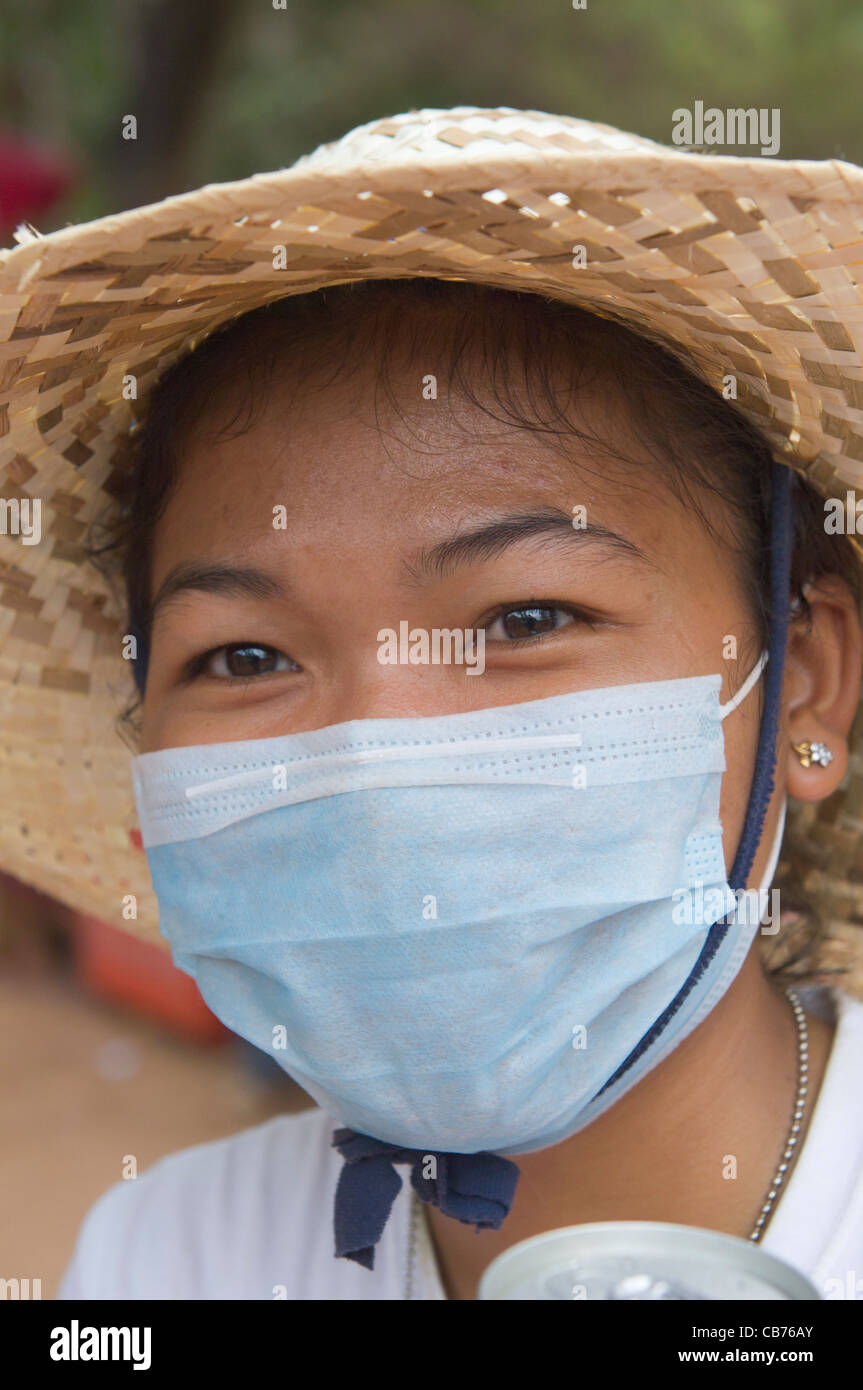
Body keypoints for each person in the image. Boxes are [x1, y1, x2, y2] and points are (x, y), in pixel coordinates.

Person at [2, 107, 862, 1301]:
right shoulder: (160, 1257)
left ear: (807, 679)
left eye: (524, 619)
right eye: (244, 657)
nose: (376, 758)